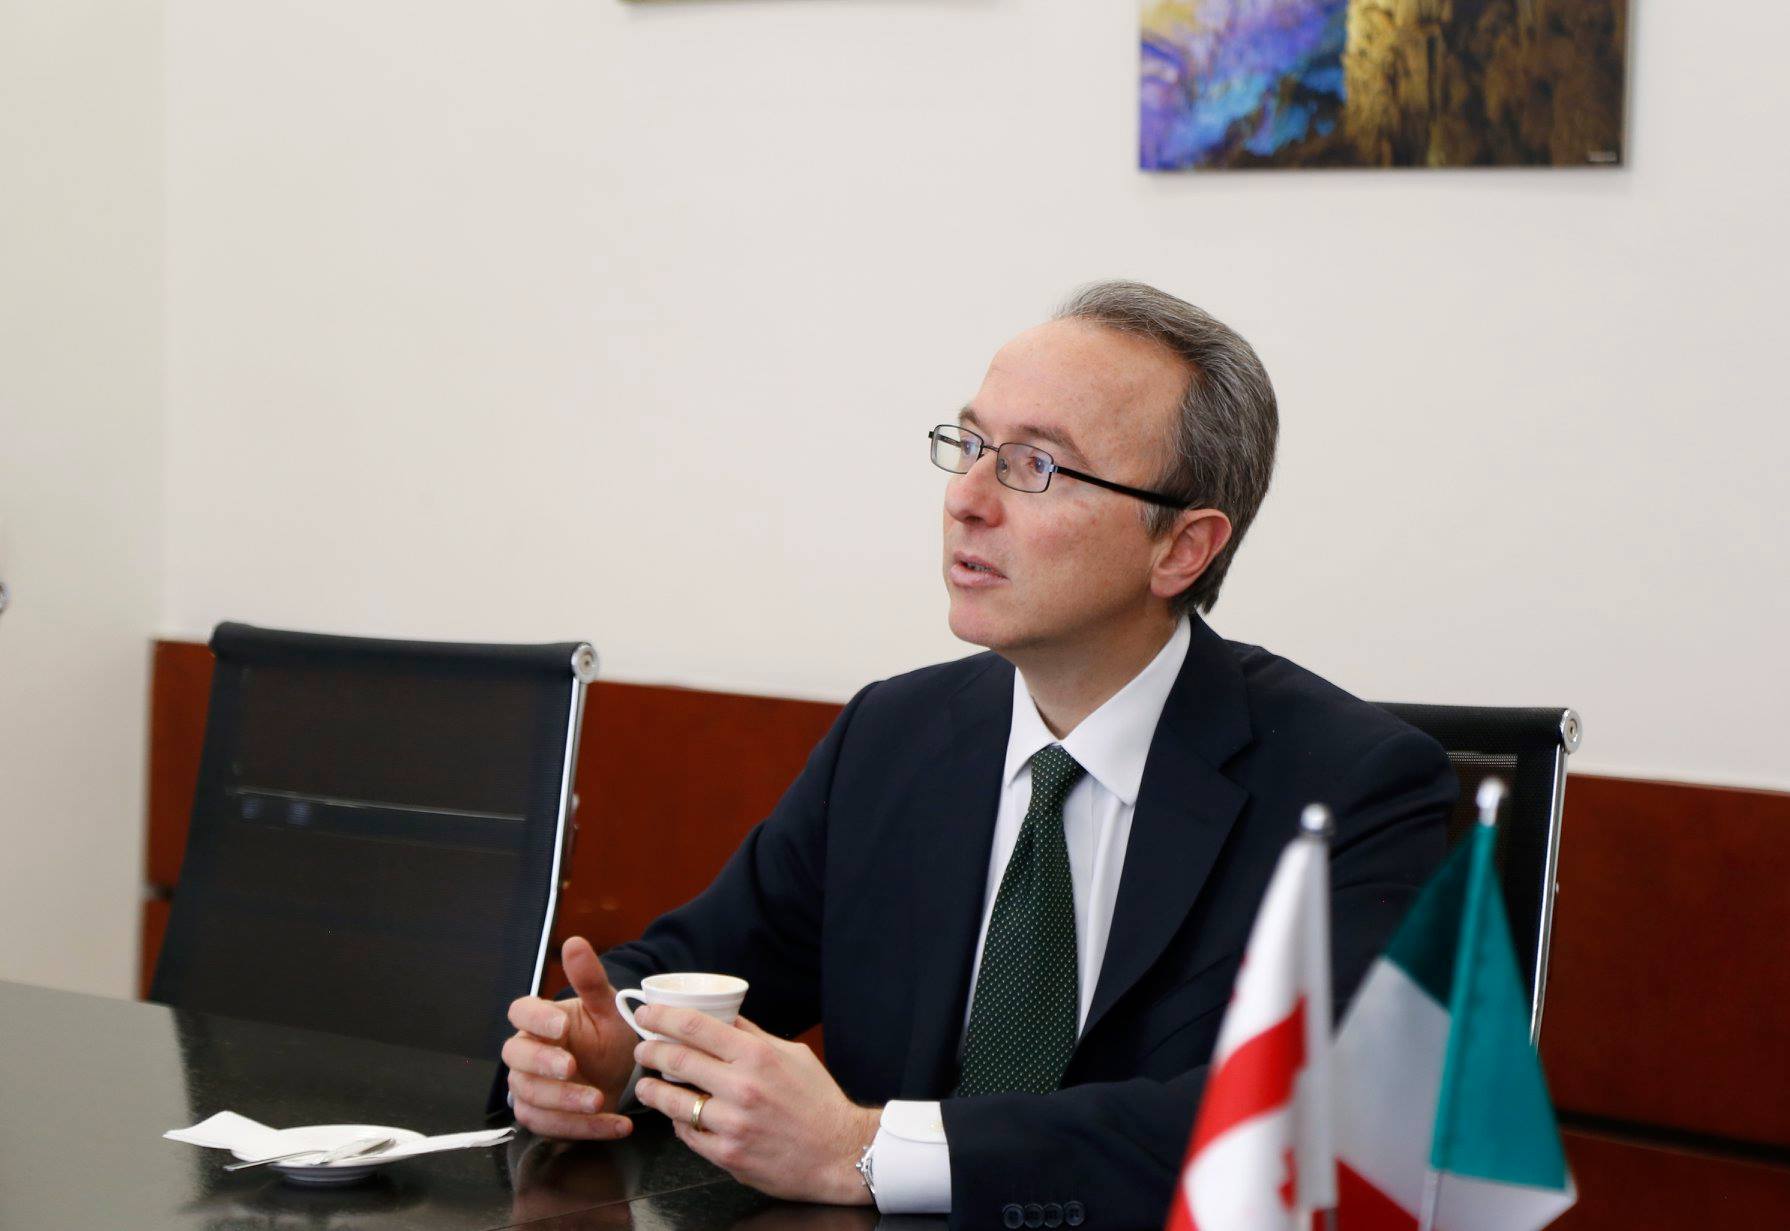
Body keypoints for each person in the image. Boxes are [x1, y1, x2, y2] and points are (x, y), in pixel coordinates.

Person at [502, 281, 1455, 1229]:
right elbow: (700, 963)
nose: (965, 500)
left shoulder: (1352, 787)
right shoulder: (893, 735)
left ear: (1182, 548)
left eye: (1035, 465)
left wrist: (865, 1147)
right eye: (969, 445)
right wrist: (606, 1053)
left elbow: (1302, 1120)